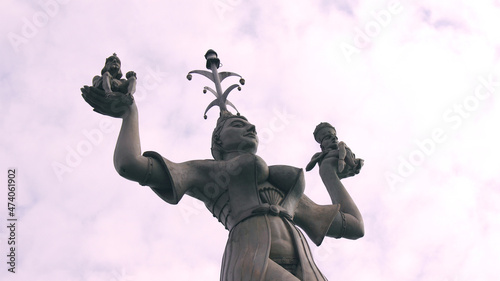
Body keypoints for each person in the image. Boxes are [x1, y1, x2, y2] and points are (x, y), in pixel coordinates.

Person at [81, 56, 364, 281]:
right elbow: (130, 165)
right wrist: (130, 113)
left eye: (250, 124)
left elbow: (354, 226)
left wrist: (329, 174)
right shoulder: (207, 172)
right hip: (251, 263)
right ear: (218, 140)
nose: (251, 127)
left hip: (306, 267)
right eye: (238, 124)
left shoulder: (284, 192)